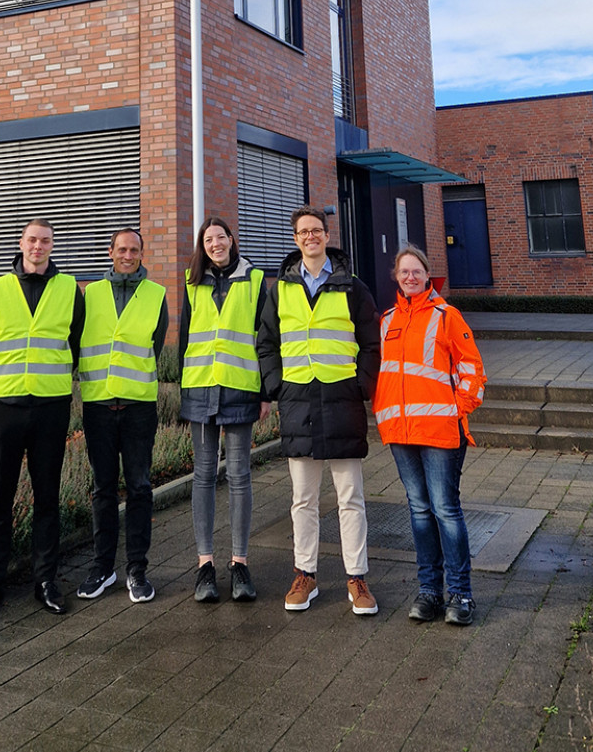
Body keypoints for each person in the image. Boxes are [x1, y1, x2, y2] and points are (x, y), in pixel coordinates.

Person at [257, 205, 380, 615]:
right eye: (303, 232)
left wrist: (360, 385)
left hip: (342, 402)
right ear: (295, 240)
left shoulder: (353, 287)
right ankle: (305, 575)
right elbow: (266, 343)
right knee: (303, 499)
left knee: (351, 498)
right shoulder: (279, 289)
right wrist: (275, 385)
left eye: (317, 231)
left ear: (327, 235)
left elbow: (370, 342)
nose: (310, 237)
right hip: (298, 404)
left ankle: (357, 578)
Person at [0, 218, 84, 621]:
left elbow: (77, 340)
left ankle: (46, 582)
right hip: (5, 406)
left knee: (47, 498)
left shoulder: (69, 289)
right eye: (32, 240)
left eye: (45, 241)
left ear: (53, 246)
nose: (38, 246)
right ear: (21, 244)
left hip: (51, 406)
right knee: (0, 498)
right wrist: (5, 379)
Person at [373, 246, 486, 626]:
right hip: (401, 431)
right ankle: (428, 593)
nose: (409, 277)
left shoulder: (446, 315)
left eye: (416, 271)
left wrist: (459, 407)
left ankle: (460, 594)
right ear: (396, 276)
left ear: (427, 275)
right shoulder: (387, 320)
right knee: (419, 512)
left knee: (445, 511)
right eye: (403, 271)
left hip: (439, 430)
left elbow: (472, 368)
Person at [179, 216, 270, 603]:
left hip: (239, 389)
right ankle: (204, 566)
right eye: (208, 239)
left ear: (232, 240)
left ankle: (239, 564)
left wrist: (266, 391)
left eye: (221, 237)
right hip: (200, 389)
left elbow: (266, 338)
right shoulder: (191, 281)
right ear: (203, 245)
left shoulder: (256, 280)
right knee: (202, 476)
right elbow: (185, 336)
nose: (215, 244)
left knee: (238, 475)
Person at [76, 228, 169, 604]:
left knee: (140, 488)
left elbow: (157, 344)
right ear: (110, 252)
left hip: (138, 408)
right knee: (102, 489)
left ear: (142, 253)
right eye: (122, 249)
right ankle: (103, 568)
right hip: (98, 405)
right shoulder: (89, 294)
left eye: (134, 250)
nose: (128, 255)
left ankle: (137, 570)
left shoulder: (157, 295)